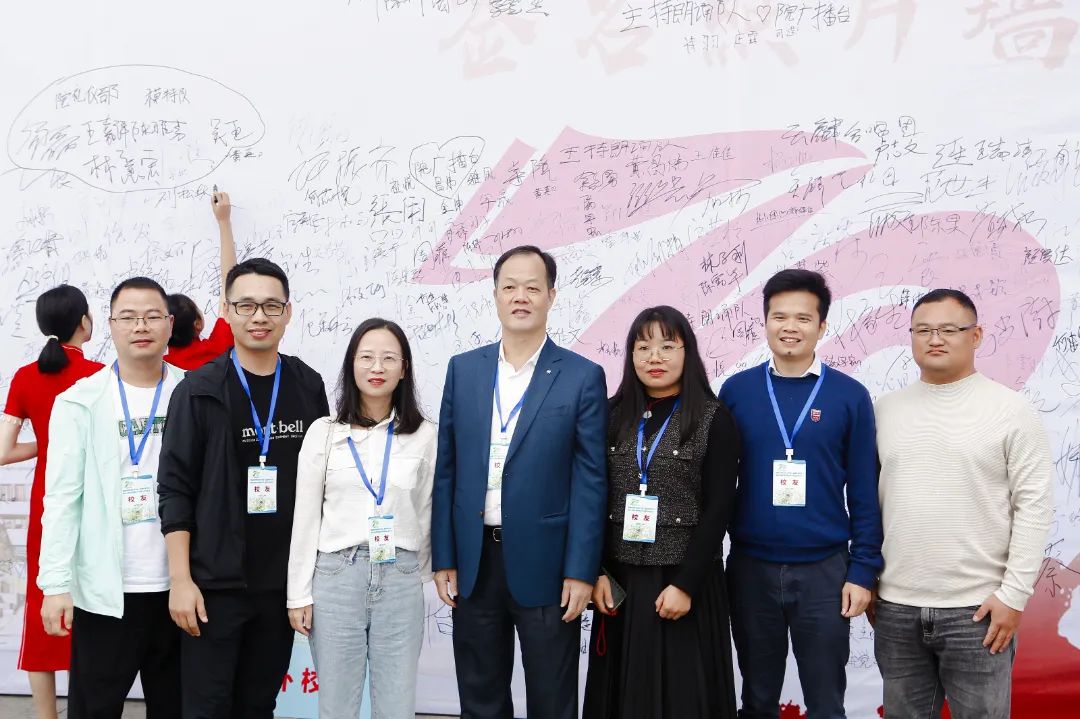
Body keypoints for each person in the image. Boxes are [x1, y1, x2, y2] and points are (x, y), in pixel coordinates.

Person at [431, 245, 608, 719]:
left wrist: (581, 570)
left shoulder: (582, 376)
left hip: (547, 565)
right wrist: (445, 556)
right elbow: (447, 469)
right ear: (495, 295)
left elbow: (590, 482)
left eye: (532, 287)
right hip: (475, 562)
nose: (520, 297)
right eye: (509, 287)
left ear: (551, 295)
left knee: (552, 699)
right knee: (480, 698)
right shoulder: (463, 370)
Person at [158, 258, 329, 719]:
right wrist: (181, 581)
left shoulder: (307, 384)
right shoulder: (198, 390)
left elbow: (323, 482)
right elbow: (174, 488)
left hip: (280, 586)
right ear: (226, 310)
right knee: (207, 708)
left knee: (258, 705)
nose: (259, 317)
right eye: (246, 305)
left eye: (271, 306)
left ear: (287, 313)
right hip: (213, 587)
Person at [872, 289, 1054, 719]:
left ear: (976, 335)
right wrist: (870, 578)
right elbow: (866, 502)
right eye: (923, 330)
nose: (935, 339)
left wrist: (1014, 596)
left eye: (949, 329)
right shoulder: (884, 411)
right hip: (896, 608)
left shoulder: (1011, 410)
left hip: (979, 611)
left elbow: (1034, 506)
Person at [718, 269, 882, 718]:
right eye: (779, 316)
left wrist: (863, 570)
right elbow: (717, 483)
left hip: (825, 572)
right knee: (757, 699)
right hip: (750, 568)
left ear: (822, 326)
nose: (790, 327)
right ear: (765, 321)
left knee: (826, 701)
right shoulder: (737, 391)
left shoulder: (850, 396)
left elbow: (864, 491)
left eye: (803, 318)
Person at [37, 277, 184, 718]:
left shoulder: (196, 392)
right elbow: (62, 498)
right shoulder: (80, 401)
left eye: (152, 316)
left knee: (179, 708)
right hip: (104, 591)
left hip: (181, 587)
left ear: (170, 323)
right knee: (94, 710)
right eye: (129, 317)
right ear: (110, 324)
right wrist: (55, 585)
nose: (141, 326)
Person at [583, 306, 740, 719]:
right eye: (643, 347)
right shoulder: (610, 415)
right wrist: (596, 572)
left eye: (667, 346)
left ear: (688, 353)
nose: (655, 357)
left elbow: (719, 508)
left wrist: (686, 585)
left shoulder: (713, 418)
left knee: (684, 697)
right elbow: (590, 499)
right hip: (619, 582)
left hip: (685, 582)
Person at [287, 318, 436, 718]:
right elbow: (305, 517)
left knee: (396, 706)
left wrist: (421, 573)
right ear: (351, 364)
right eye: (366, 357)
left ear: (404, 368)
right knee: (337, 706)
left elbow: (425, 511)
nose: (377, 367)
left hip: (400, 577)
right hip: (337, 578)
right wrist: (298, 594)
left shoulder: (424, 435)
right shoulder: (323, 432)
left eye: (389, 358)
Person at [0, 285, 103, 719]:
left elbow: (4, 451)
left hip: (48, 502)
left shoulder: (26, 376)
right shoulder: (101, 376)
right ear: (84, 322)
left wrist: (45, 445)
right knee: (95, 607)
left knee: (43, 604)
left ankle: (46, 715)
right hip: (95, 499)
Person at [164, 189, 237, 370]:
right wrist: (224, 221)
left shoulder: (158, 367)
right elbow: (230, 282)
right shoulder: (217, 351)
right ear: (197, 323)